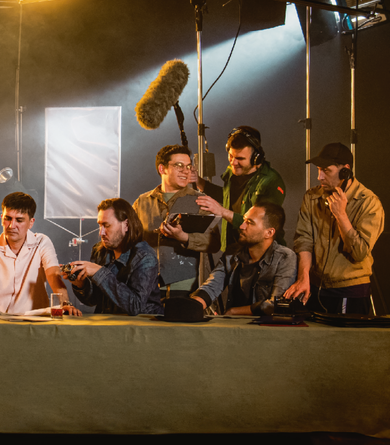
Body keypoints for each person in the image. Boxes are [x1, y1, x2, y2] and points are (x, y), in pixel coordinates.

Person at [286, 142, 384, 314]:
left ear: (345, 171)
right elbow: (304, 239)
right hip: (316, 287)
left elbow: (359, 252)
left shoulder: (369, 203)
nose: (320, 177)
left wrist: (341, 215)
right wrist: (303, 277)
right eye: (319, 170)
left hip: (349, 291)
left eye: (326, 171)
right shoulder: (312, 197)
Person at [0, 192, 79, 316]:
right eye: (8, 218)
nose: (12, 225)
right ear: (2, 218)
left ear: (31, 222)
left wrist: (65, 303)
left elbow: (54, 276)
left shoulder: (42, 242)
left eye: (19, 220)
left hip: (33, 321)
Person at [133, 144, 215, 298]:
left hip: (184, 287)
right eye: (179, 165)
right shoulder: (142, 201)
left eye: (188, 166)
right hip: (146, 285)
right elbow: (129, 238)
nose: (186, 171)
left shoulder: (201, 201)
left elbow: (215, 242)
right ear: (162, 169)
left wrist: (185, 237)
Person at [195, 125, 288, 256]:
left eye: (240, 159)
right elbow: (228, 197)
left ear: (256, 157)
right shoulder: (233, 171)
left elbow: (260, 225)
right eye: (231, 156)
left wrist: (222, 211)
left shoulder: (271, 181)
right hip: (233, 250)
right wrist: (199, 182)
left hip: (261, 254)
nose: (233, 162)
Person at [64, 197, 164, 316]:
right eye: (100, 225)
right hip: (108, 323)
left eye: (106, 225)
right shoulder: (99, 251)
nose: (101, 232)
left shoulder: (145, 257)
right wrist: (81, 284)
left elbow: (135, 306)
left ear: (126, 225)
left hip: (141, 325)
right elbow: (93, 300)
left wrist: (99, 272)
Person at [191, 204, 296, 316]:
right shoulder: (233, 253)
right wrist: (193, 306)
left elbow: (276, 305)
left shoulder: (285, 257)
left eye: (250, 223)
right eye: (244, 220)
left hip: (264, 325)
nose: (241, 226)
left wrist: (233, 312)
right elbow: (212, 286)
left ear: (269, 233)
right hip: (234, 325)